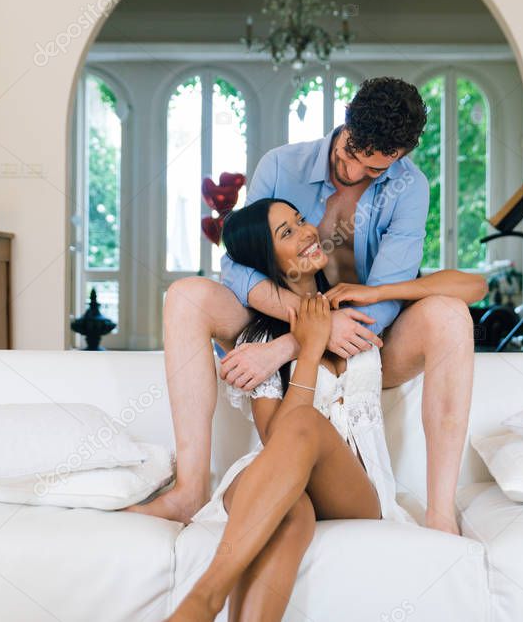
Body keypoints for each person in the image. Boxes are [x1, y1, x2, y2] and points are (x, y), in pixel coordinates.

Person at [128, 77, 485, 534]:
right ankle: (189, 492)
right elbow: (238, 267)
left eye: (373, 169)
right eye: (349, 152)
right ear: (346, 122)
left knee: (451, 314)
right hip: (276, 315)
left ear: (399, 155)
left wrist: (290, 348)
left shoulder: (410, 188)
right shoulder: (281, 164)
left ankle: (439, 515)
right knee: (185, 295)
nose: (353, 171)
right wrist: (305, 328)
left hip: (365, 337)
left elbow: (388, 292)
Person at [167, 199, 484, 622]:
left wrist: (377, 293)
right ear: (268, 261)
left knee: (304, 421)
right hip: (276, 478)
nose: (306, 233)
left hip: (352, 488)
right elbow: (276, 444)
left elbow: (472, 286)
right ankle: (212, 606)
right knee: (290, 513)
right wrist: (309, 344)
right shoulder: (258, 338)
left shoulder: (363, 310)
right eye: (286, 233)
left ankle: (203, 599)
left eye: (300, 221)